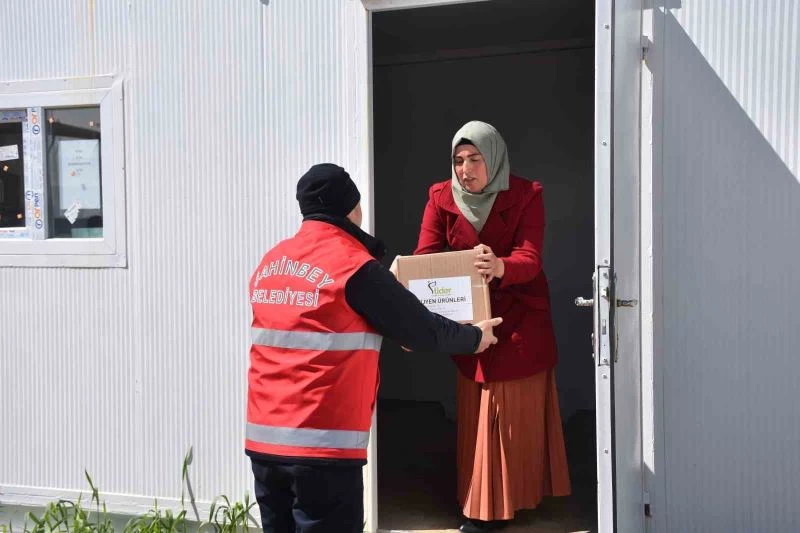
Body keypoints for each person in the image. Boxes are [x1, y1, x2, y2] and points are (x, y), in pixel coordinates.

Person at [245, 163, 503, 533]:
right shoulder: (353, 266)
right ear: (352, 208)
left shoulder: (271, 263)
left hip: (264, 443)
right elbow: (421, 330)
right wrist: (475, 338)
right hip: (322, 447)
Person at [413, 121, 571, 532]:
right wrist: (423, 308)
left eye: (475, 159)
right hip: (471, 318)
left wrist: (500, 266)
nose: (465, 170)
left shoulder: (526, 193)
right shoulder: (440, 196)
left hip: (520, 317)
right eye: (458, 160)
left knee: (511, 409)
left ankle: (504, 505)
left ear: (494, 158)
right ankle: (483, 504)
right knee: (480, 408)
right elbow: (425, 258)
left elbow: (530, 258)